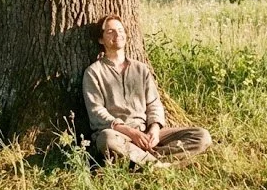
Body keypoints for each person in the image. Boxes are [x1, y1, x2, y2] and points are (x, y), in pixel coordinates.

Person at [82, 13, 212, 167]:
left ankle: (148, 161)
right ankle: (159, 166)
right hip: (119, 134)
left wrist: (154, 129)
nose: (117, 34)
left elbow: (154, 103)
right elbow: (96, 111)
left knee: (201, 136)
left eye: (120, 30)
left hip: (144, 131)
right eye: (110, 31)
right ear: (101, 39)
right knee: (106, 139)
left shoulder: (140, 69)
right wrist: (131, 133)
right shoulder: (94, 72)